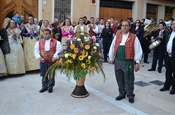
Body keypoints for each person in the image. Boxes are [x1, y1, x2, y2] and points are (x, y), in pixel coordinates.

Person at [108, 21, 143, 103]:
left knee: (129, 79)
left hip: (128, 62)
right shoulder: (117, 36)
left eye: (126, 26)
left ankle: (130, 95)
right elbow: (112, 47)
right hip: (118, 61)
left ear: (129, 27)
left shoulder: (134, 37)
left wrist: (137, 62)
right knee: (119, 79)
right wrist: (111, 58)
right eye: (123, 25)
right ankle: (122, 93)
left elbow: (138, 50)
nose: (124, 27)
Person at [34, 29, 62, 93]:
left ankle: (50, 86)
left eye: (47, 34)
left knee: (51, 74)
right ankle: (44, 86)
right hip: (43, 60)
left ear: (50, 34)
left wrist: (55, 56)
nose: (45, 35)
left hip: (52, 60)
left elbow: (59, 50)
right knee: (44, 74)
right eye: (44, 34)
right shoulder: (39, 42)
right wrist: (38, 57)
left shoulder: (56, 42)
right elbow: (36, 50)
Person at [160, 20, 175, 95]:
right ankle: (166, 85)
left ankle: (174, 88)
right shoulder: (169, 33)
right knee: (168, 71)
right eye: (172, 24)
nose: (174, 26)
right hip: (168, 56)